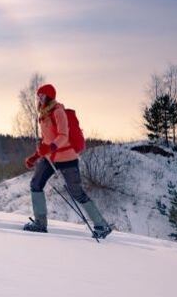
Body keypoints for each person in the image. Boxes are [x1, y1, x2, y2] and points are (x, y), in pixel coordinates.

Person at [23, 84, 112, 239]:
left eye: (42, 96)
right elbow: (46, 140)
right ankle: (40, 224)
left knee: (77, 193)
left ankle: (102, 225)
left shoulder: (58, 112)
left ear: (49, 97)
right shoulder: (43, 115)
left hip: (67, 158)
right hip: (51, 158)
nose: (39, 99)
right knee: (35, 184)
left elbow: (63, 136)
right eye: (38, 96)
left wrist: (49, 148)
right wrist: (35, 157)